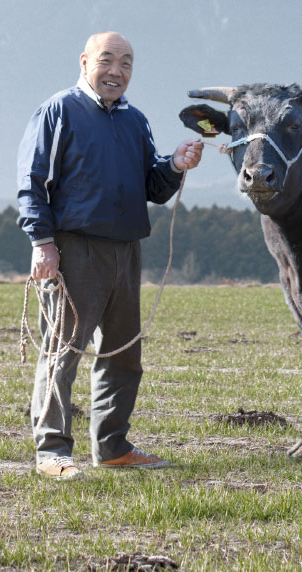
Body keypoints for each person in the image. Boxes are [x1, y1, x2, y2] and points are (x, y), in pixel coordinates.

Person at [16, 31, 204, 481]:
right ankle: (52, 452)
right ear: (85, 62)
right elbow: (32, 181)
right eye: (107, 60)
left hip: (126, 250)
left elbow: (152, 188)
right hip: (72, 249)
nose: (116, 71)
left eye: (126, 63)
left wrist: (175, 164)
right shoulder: (58, 110)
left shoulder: (135, 120)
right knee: (64, 352)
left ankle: (113, 446)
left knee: (123, 356)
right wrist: (42, 243)